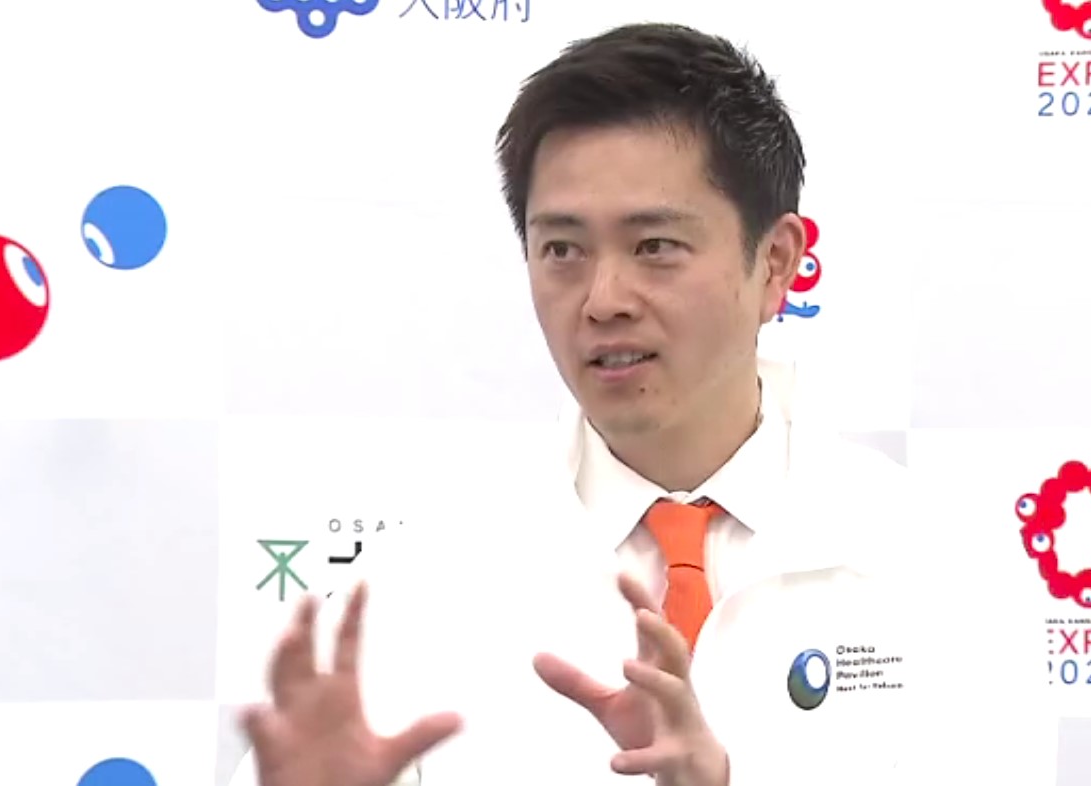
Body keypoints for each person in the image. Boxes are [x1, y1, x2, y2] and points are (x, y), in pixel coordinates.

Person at [228, 21, 929, 786]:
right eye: (563, 249)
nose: (603, 300)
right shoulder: (422, 582)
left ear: (776, 263)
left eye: (654, 246)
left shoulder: (926, 555)